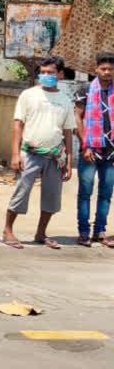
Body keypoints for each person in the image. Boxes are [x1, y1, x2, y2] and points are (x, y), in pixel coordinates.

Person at [0, 56, 73, 250]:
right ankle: (7, 231)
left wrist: (68, 161)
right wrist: (15, 154)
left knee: (51, 196)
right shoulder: (28, 95)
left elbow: (68, 132)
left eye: (51, 72)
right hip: (29, 153)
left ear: (61, 75)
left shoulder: (65, 100)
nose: (46, 75)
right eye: (43, 72)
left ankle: (41, 233)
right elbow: (18, 126)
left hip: (55, 156)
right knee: (20, 192)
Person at [74, 52, 114, 247]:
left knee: (106, 193)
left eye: (110, 69)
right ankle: (83, 232)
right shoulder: (86, 89)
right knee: (85, 192)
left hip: (111, 153)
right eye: (103, 68)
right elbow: (77, 118)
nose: (106, 72)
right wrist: (85, 145)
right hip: (90, 150)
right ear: (96, 69)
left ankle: (100, 231)